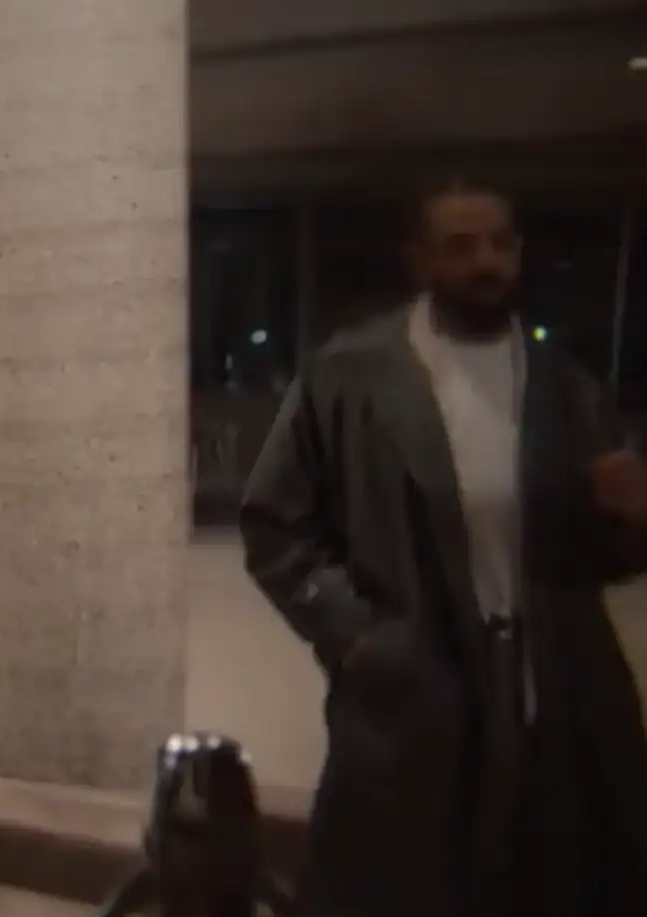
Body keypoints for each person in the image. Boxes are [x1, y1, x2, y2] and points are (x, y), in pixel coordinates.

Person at [240, 179, 647, 917]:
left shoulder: (565, 387)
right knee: (403, 882)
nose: (485, 262)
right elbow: (275, 523)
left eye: (499, 244)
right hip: (412, 682)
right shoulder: (350, 376)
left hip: (555, 688)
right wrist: (357, 635)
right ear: (419, 259)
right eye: (460, 246)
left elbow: (598, 556)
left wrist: (632, 519)